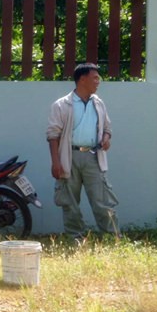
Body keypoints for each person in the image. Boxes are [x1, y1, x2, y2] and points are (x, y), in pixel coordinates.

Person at [46, 63, 120, 239]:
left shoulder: (99, 103)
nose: (98, 81)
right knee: (70, 202)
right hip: (68, 158)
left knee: (102, 201)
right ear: (82, 79)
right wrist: (56, 162)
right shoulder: (62, 105)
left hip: (94, 157)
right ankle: (75, 240)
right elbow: (52, 135)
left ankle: (112, 239)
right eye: (95, 78)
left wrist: (106, 139)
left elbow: (107, 128)